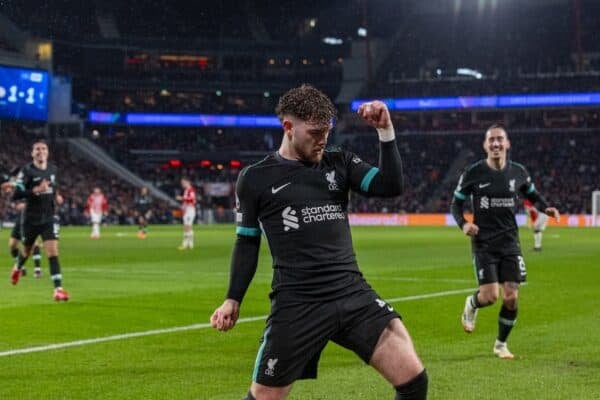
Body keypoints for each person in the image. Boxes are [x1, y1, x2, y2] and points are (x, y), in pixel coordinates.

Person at [210, 85, 427, 400]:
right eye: (314, 132)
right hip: (298, 303)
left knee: (414, 382)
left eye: (327, 131)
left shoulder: (339, 162)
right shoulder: (255, 179)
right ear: (288, 127)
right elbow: (246, 243)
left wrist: (385, 131)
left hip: (351, 293)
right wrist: (233, 298)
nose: (323, 140)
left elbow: (390, 185)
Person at [451, 124, 559, 359]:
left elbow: (532, 194)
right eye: (491, 140)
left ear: (507, 144)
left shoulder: (518, 172)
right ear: (485, 145)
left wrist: (545, 207)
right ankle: (472, 303)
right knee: (490, 297)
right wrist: (464, 224)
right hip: (484, 243)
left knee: (511, 296)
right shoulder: (473, 172)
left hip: (510, 242)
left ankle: (500, 344)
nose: (496, 144)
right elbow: (455, 204)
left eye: (500, 139)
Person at [11, 139, 70, 301]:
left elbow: (53, 186)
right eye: (37, 149)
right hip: (30, 219)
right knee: (27, 251)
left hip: (49, 218)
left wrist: (56, 196)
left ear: (47, 152)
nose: (40, 151)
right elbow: (15, 195)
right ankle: (18, 267)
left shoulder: (53, 169)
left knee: (52, 252)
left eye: (43, 148)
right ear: (32, 153)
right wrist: (35, 190)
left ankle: (58, 289)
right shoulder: (26, 171)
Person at [176, 177, 196, 250]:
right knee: (186, 227)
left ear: (187, 182)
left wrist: (182, 198)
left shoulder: (191, 190)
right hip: (187, 210)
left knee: (188, 227)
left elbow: (192, 200)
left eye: (183, 183)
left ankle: (187, 244)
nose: (182, 184)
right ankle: (189, 244)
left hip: (190, 210)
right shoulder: (186, 190)